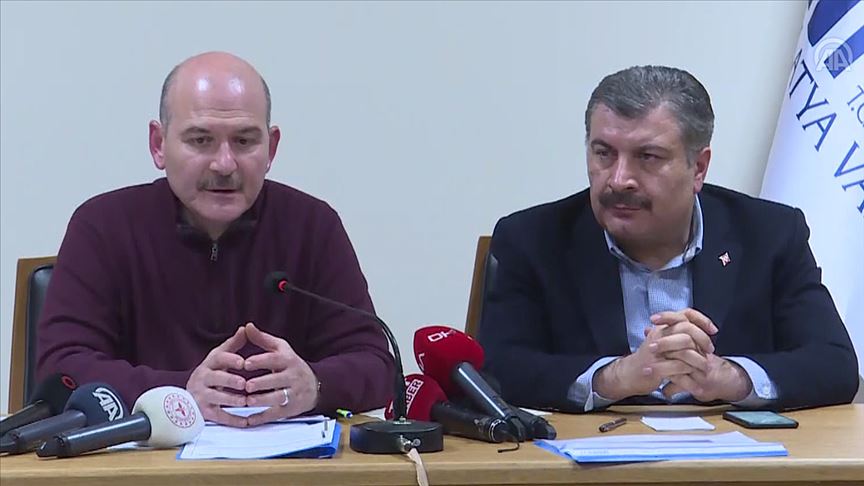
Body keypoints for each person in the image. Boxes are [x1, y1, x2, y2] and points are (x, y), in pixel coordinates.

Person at [36, 52, 394, 427]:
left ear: (271, 149)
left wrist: (315, 385)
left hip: (287, 460)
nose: (224, 164)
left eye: (244, 141)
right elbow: (61, 367)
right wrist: (181, 392)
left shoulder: (313, 226)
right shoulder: (103, 227)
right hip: (142, 457)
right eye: (201, 140)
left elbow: (376, 365)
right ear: (159, 144)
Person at [478, 65, 859, 412]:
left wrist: (728, 377)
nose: (619, 180)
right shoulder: (533, 240)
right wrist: (616, 377)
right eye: (604, 153)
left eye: (648, 157)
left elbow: (834, 364)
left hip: (737, 455)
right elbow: (497, 371)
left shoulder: (770, 234)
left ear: (699, 168)